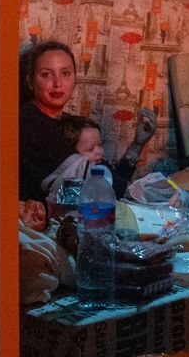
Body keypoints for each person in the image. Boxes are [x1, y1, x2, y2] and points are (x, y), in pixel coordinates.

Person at [17, 40, 155, 221]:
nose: (58, 83)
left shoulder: (70, 123)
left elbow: (106, 179)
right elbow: (108, 188)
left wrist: (137, 146)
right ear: (30, 81)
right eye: (46, 74)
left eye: (65, 73)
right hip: (45, 227)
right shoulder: (29, 123)